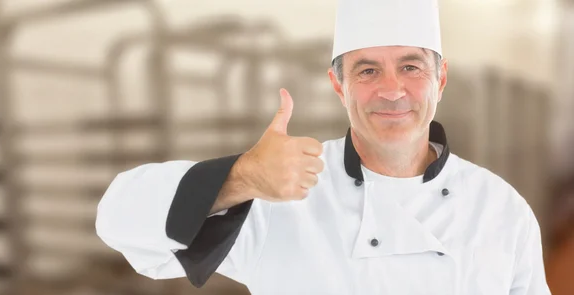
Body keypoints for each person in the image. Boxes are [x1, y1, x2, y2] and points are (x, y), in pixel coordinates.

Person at [95, 0, 552, 294]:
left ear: (441, 79)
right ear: (338, 84)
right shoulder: (282, 195)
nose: (392, 90)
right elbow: (119, 222)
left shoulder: (500, 209)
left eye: (411, 67)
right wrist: (242, 176)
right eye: (368, 71)